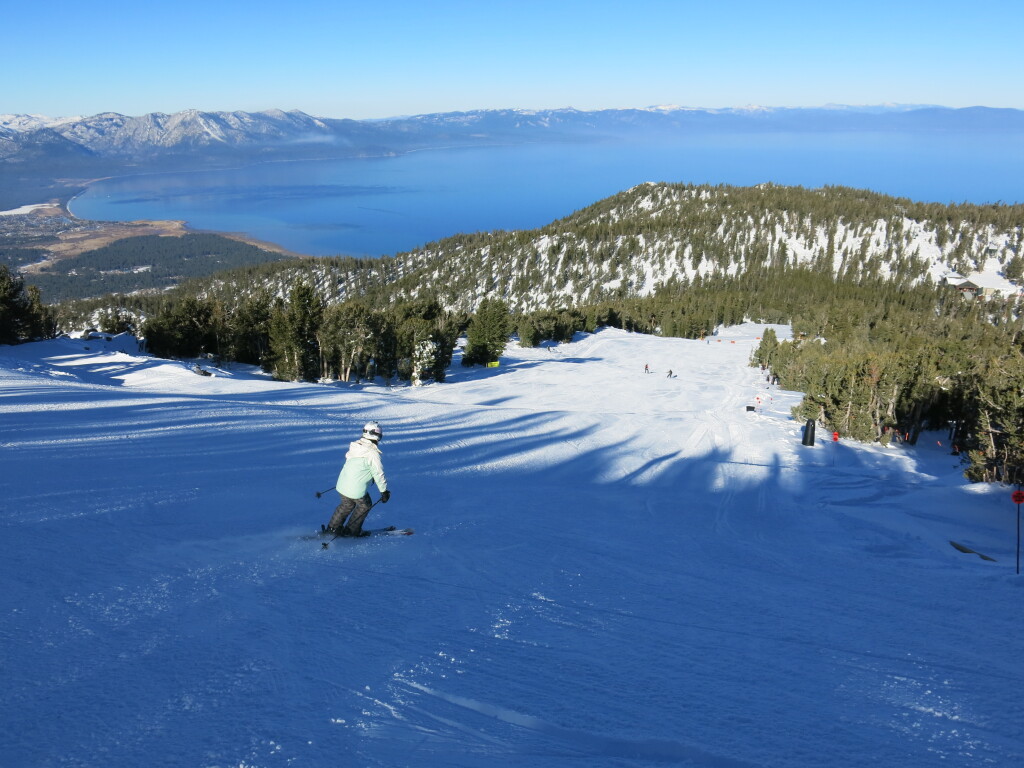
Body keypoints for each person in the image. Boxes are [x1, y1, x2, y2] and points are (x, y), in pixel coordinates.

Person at [326, 421, 390, 536]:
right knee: (365, 505)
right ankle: (352, 530)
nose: (380, 436)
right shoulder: (372, 453)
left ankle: (332, 528)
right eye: (379, 433)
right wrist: (384, 491)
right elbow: (378, 473)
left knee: (347, 504)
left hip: (342, 484)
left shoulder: (356, 446)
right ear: (374, 434)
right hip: (356, 489)